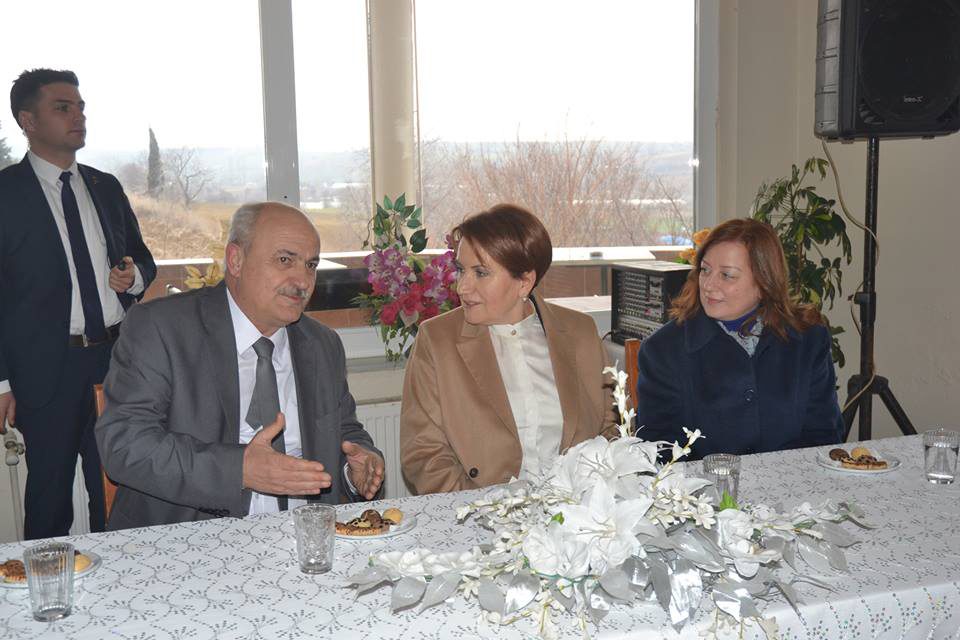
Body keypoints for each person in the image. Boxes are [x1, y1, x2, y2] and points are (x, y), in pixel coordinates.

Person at [95, 202, 385, 529]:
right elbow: (125, 445)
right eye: (285, 260)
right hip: (191, 541)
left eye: (311, 265)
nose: (303, 280)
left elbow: (344, 431)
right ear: (236, 259)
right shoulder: (162, 328)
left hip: (301, 540)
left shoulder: (321, 345)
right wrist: (240, 471)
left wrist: (356, 467)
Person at [0, 68, 157, 538]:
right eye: (63, 107)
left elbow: (143, 260)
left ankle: (124, 598)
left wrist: (131, 278)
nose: (78, 116)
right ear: (28, 120)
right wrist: (2, 381)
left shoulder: (104, 186)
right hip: (45, 370)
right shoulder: (5, 194)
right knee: (49, 498)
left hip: (115, 361)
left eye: (81, 107)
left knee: (118, 489)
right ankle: (43, 603)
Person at [400, 204, 616, 495]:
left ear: (524, 281)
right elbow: (424, 455)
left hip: (576, 517)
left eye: (481, 273)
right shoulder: (437, 341)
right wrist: (489, 512)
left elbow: (610, 430)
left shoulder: (580, 332)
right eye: (461, 270)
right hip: (481, 521)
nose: (462, 287)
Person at [635, 218, 844, 459]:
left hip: (792, 487)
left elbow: (823, 436)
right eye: (705, 270)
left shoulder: (808, 340)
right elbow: (659, 450)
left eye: (727, 275)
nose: (709, 285)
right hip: (702, 492)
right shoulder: (663, 350)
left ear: (763, 283)